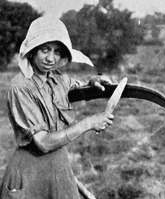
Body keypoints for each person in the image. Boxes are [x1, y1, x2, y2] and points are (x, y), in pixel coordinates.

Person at [0, 16, 114, 199]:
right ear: (32, 50)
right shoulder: (20, 88)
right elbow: (44, 143)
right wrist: (89, 123)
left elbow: (77, 86)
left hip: (58, 167)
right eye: (45, 49)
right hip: (30, 172)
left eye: (57, 51)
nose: (51, 58)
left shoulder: (57, 78)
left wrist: (94, 81)